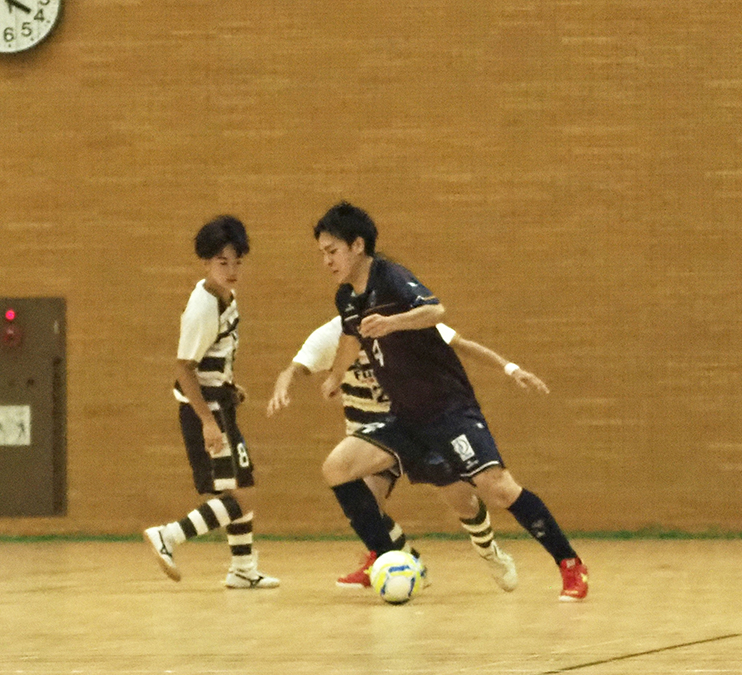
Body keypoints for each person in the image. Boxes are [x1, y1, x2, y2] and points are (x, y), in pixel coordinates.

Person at [312, 201, 588, 601]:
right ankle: (389, 557)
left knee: (497, 489)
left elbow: (435, 310)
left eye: (332, 251)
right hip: (405, 418)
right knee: (337, 468)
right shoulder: (347, 298)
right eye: (322, 253)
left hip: (448, 411)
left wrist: (392, 323)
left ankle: (569, 563)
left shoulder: (391, 278)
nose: (326, 261)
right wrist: (336, 376)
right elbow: (353, 338)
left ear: (357, 245)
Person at [268, 317, 547, 591]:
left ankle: (488, 550)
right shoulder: (331, 335)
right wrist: (282, 388)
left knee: (462, 501)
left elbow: (462, 344)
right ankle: (404, 561)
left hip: (415, 424)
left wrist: (511, 368)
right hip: (371, 432)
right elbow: (293, 369)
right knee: (366, 504)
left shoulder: (402, 319)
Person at [143, 215, 279, 589]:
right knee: (242, 494)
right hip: (206, 410)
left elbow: (210, 360)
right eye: (223, 262)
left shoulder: (225, 296)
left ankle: (243, 569)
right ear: (206, 262)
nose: (232, 271)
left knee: (239, 484)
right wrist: (207, 421)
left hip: (220, 402)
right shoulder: (203, 307)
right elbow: (184, 368)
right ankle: (168, 535)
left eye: (237, 262)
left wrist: (228, 385)